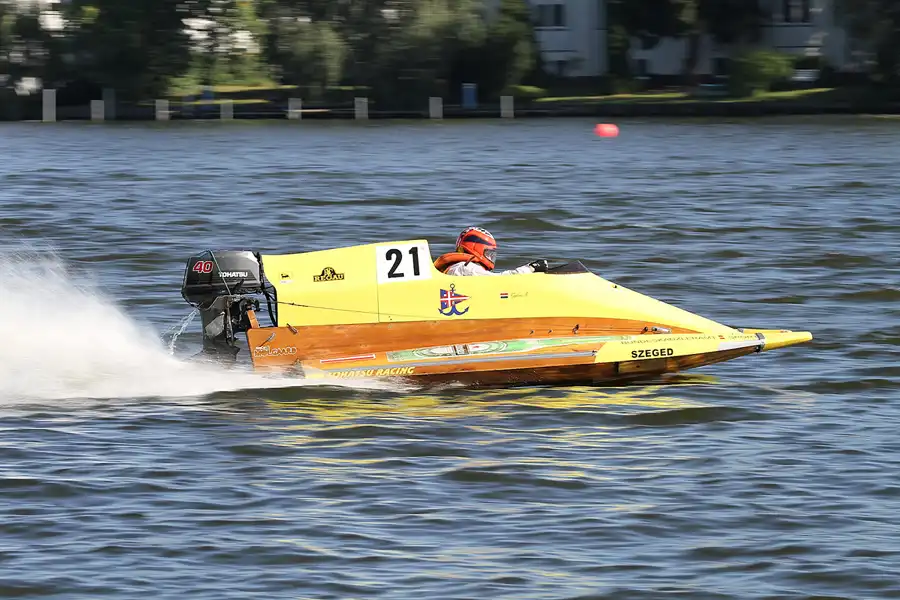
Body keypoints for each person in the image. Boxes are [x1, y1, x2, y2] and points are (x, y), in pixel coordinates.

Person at [433, 226, 549, 276]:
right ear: (476, 249)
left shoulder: (457, 267)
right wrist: (530, 268)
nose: (491, 258)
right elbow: (498, 282)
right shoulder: (466, 268)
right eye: (488, 253)